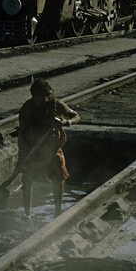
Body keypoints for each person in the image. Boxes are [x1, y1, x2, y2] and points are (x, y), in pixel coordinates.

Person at [17, 78, 80, 218]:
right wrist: (22, 153)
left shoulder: (56, 104)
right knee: (27, 178)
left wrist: (66, 122)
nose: (38, 99)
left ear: (48, 96)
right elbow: (21, 133)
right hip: (31, 146)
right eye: (36, 96)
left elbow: (76, 116)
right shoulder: (26, 109)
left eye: (42, 96)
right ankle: (27, 214)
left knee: (58, 176)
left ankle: (58, 212)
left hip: (51, 147)